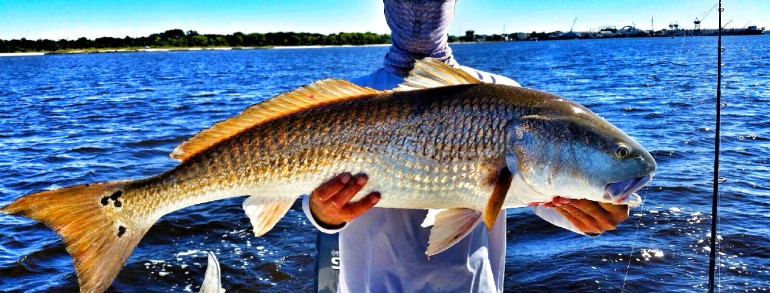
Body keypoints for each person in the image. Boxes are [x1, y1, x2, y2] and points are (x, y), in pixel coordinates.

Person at [302, 0, 630, 292]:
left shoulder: (502, 94)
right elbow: (301, 186)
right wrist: (323, 212)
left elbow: (541, 194)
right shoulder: (350, 99)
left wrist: (586, 213)